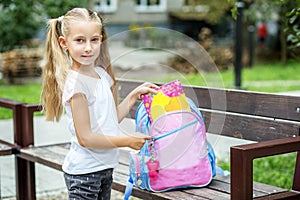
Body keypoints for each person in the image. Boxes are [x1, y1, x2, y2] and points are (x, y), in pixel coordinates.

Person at [41, 8, 158, 199]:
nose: (88, 47)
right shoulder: (76, 85)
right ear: (64, 43)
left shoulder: (102, 75)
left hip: (105, 168)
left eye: (94, 40)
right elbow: (86, 138)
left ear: (101, 40)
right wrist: (127, 141)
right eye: (80, 40)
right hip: (84, 174)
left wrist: (134, 95)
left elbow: (109, 118)